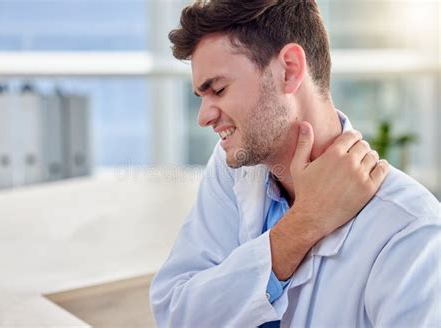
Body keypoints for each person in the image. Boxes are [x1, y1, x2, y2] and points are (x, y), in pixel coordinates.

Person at [150, 1, 440, 327]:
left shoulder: (411, 229)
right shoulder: (233, 167)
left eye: (218, 89)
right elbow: (177, 313)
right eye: (200, 97)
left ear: (289, 69)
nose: (204, 117)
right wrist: (303, 225)